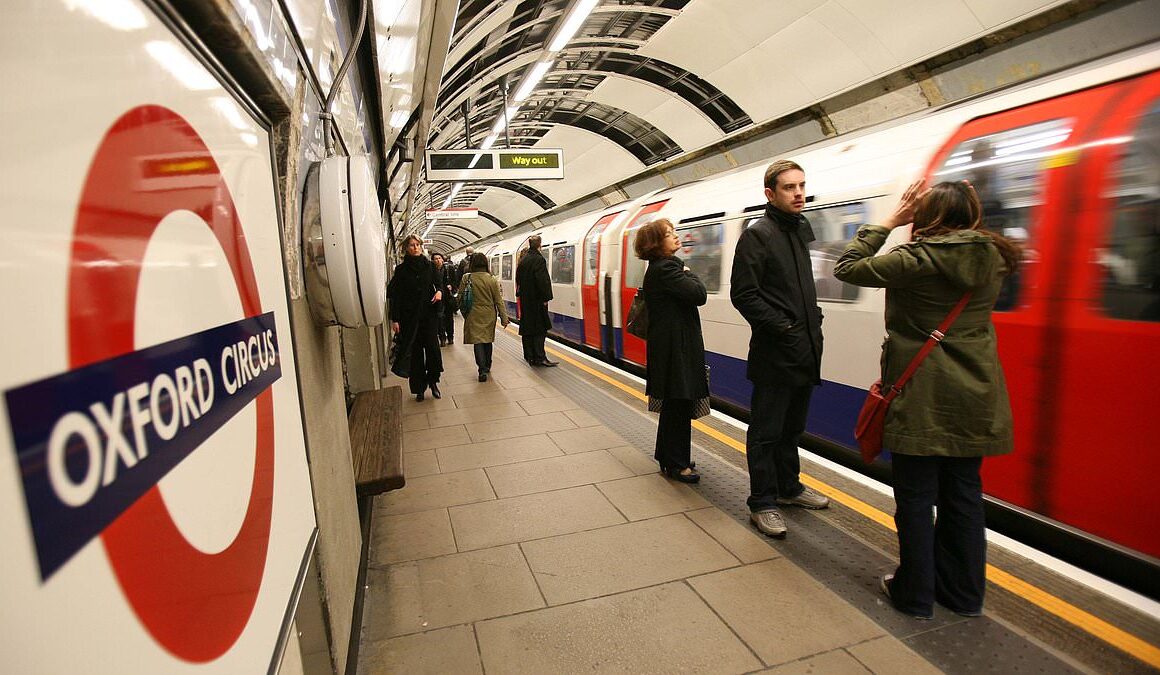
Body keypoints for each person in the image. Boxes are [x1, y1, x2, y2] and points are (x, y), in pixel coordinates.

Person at [833, 179, 1018, 620]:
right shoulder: (994, 257)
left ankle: (915, 594)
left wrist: (889, 221)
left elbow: (847, 267)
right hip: (976, 394)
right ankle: (964, 595)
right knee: (965, 497)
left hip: (920, 395)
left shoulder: (913, 259)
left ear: (924, 216)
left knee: (916, 497)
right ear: (971, 213)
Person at [730, 159, 830, 539]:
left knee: (792, 428)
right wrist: (785, 327)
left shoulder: (799, 230)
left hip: (805, 347)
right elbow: (745, 294)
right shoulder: (759, 234)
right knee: (767, 431)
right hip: (776, 351)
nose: (799, 193)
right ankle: (763, 502)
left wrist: (811, 321)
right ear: (770, 194)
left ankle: (789, 489)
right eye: (790, 188)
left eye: (802, 185)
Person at [636, 218, 707, 483]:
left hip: (669, 347)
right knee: (679, 404)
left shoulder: (658, 268)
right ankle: (677, 464)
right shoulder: (667, 269)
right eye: (669, 234)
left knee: (674, 406)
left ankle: (669, 456)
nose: (676, 236)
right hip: (676, 350)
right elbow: (699, 294)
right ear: (656, 243)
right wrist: (688, 271)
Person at [387, 235, 443, 401]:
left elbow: (439, 284)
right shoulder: (401, 270)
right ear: (406, 248)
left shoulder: (430, 266)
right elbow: (395, 296)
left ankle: (433, 382)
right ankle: (419, 388)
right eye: (412, 245)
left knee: (433, 349)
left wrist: (439, 292)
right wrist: (395, 319)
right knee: (416, 353)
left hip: (429, 316)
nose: (415, 247)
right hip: (410, 318)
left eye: (418, 244)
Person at [459, 252, 509, 382]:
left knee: (478, 342)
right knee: (487, 340)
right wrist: (504, 318)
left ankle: (481, 369)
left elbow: (460, 297)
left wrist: (465, 313)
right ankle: (487, 365)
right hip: (489, 314)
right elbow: (498, 300)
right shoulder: (491, 279)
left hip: (473, 313)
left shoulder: (467, 278)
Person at [515, 234, 557, 367]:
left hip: (526, 302)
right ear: (540, 245)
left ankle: (530, 356)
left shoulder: (523, 260)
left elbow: (519, 281)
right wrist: (546, 298)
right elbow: (542, 281)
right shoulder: (539, 260)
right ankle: (540, 357)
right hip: (537, 301)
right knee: (540, 330)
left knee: (528, 330)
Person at [431, 252, 456, 346]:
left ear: (442, 259)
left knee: (449, 318)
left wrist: (452, 286)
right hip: (437, 298)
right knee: (440, 318)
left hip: (448, 297)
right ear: (433, 261)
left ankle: (450, 337)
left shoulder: (449, 269)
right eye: (435, 259)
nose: (438, 260)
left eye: (439, 258)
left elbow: (455, 281)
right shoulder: (431, 271)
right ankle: (442, 338)